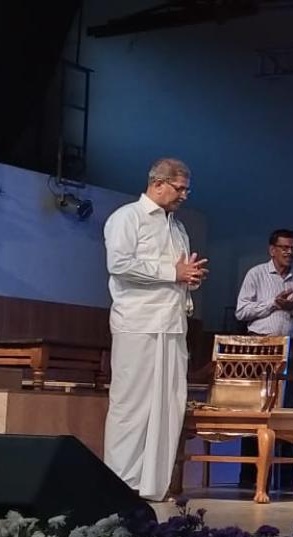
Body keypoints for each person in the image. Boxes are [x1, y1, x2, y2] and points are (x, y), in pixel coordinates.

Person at [103, 157, 207, 501]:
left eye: (186, 190)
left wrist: (189, 279)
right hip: (138, 323)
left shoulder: (178, 228)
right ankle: (121, 482)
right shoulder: (126, 217)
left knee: (168, 405)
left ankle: (151, 485)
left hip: (172, 324)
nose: (183, 196)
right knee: (131, 405)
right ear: (158, 183)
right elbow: (119, 264)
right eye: (180, 188)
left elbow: (179, 273)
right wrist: (173, 273)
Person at [234, 228, 293, 486]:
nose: (289, 252)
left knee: (287, 411)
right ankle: (252, 479)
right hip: (261, 345)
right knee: (257, 409)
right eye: (285, 247)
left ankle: (287, 479)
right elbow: (241, 312)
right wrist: (273, 305)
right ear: (272, 249)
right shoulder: (256, 274)